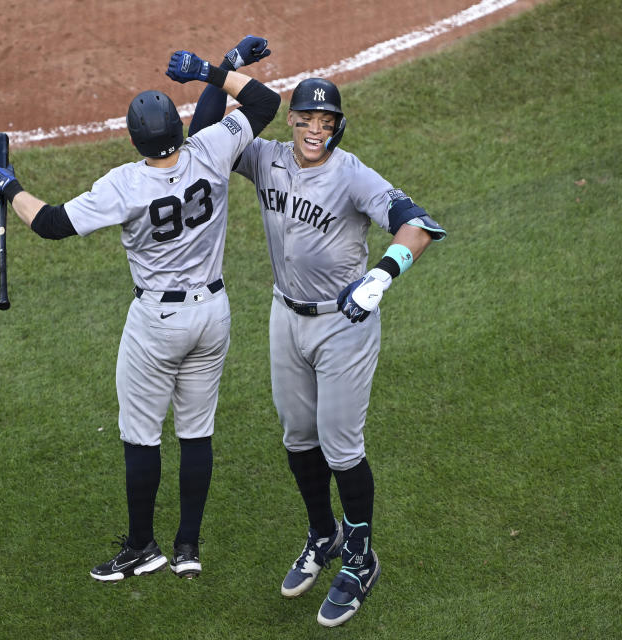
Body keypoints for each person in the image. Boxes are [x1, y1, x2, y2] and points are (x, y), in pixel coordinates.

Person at [0, 42, 280, 582]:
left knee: (142, 435)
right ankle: (187, 546)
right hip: (213, 314)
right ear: (178, 126)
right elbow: (263, 105)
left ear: (135, 138)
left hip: (157, 325)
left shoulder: (124, 185)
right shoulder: (211, 150)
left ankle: (143, 547)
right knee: (196, 432)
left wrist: (10, 188)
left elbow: (50, 223)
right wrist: (223, 67)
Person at [189, 41, 446, 626]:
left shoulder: (351, 174)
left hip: (343, 325)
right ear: (292, 120)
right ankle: (323, 535)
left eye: (325, 121)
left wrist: (381, 276)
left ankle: (360, 559)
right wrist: (223, 71)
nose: (314, 128)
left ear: (337, 127)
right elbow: (202, 137)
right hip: (286, 316)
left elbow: (419, 225)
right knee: (298, 438)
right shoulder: (265, 156)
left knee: (341, 445)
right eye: (305, 118)